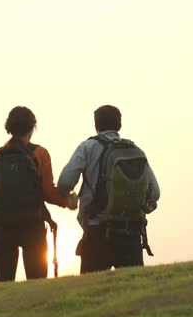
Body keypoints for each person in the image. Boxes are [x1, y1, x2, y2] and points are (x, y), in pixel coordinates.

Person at [57, 105, 160, 274]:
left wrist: (69, 197)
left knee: (90, 294)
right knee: (133, 291)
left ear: (96, 125)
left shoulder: (87, 147)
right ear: (119, 125)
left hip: (97, 232)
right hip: (131, 233)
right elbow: (155, 193)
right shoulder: (135, 151)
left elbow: (65, 182)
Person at [0, 106, 78, 283]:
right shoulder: (39, 153)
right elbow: (48, 192)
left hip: (3, 228)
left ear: (8, 127)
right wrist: (67, 201)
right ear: (32, 127)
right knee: (37, 286)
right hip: (32, 228)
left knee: (4, 288)